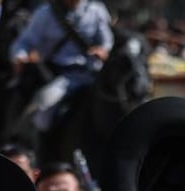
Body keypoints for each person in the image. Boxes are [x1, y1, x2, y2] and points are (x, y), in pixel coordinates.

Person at [9, 0, 113, 134]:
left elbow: (107, 42)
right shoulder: (45, 13)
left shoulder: (96, 10)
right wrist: (20, 57)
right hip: (60, 76)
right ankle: (37, 144)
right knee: (44, 108)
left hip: (93, 74)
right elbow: (24, 42)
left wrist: (103, 51)